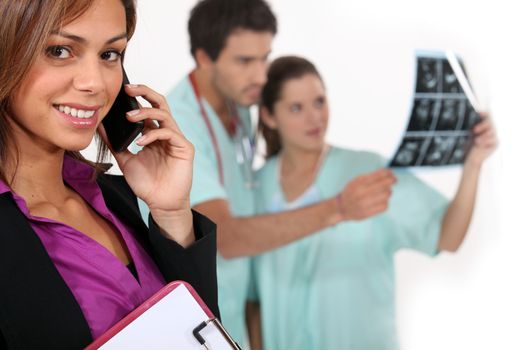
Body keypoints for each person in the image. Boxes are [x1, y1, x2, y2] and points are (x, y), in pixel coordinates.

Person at [142, 0, 396, 347]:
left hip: (235, 316)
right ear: (204, 58)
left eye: (264, 57)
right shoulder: (181, 123)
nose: (262, 76)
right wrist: (338, 208)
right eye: (245, 61)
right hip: (192, 326)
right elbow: (226, 238)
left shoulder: (240, 106)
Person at [0, 1, 218, 349]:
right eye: (59, 50)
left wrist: (173, 215)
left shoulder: (114, 197)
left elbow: (201, 337)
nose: (96, 84)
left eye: (110, 54)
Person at [253, 56, 497, 350]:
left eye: (319, 102)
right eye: (296, 108)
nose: (314, 118)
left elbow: (448, 237)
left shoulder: (367, 172)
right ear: (268, 115)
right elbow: (253, 300)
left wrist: (473, 165)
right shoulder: (255, 189)